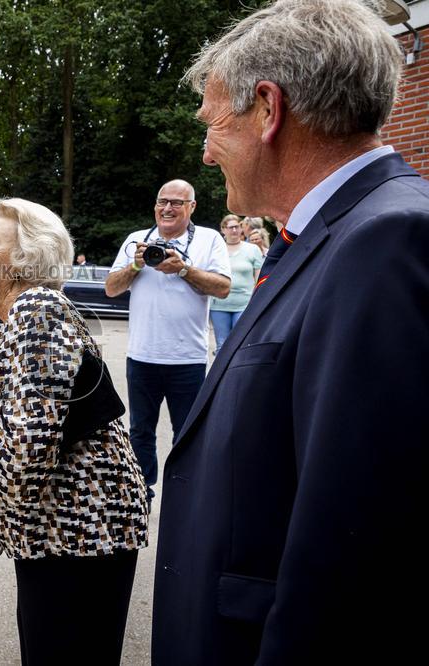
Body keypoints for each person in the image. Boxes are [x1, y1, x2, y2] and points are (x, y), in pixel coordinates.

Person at [152, 2, 429, 664]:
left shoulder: (387, 240)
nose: (206, 151)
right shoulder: (330, 233)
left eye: (214, 124)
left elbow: (356, 553)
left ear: (268, 110)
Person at [0, 198, 148, 665]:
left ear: (23, 261)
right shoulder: (18, 315)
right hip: (67, 529)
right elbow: (15, 421)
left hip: (82, 529)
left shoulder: (36, 308)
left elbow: (28, 447)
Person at [104, 179, 231, 499]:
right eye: (163, 202)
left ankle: (183, 493)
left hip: (187, 358)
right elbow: (111, 288)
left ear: (192, 207)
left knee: (187, 433)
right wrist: (135, 264)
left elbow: (222, 287)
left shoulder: (208, 239)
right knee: (140, 431)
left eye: (177, 202)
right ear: (155, 206)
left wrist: (184, 269)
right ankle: (140, 492)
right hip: (142, 356)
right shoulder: (137, 241)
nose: (168, 208)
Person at [208, 216, 262, 351]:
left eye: (237, 226)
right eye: (230, 227)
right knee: (222, 345)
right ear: (223, 230)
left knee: (241, 344)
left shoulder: (252, 249)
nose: (234, 230)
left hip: (244, 303)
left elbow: (259, 277)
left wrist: (256, 300)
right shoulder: (216, 249)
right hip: (219, 304)